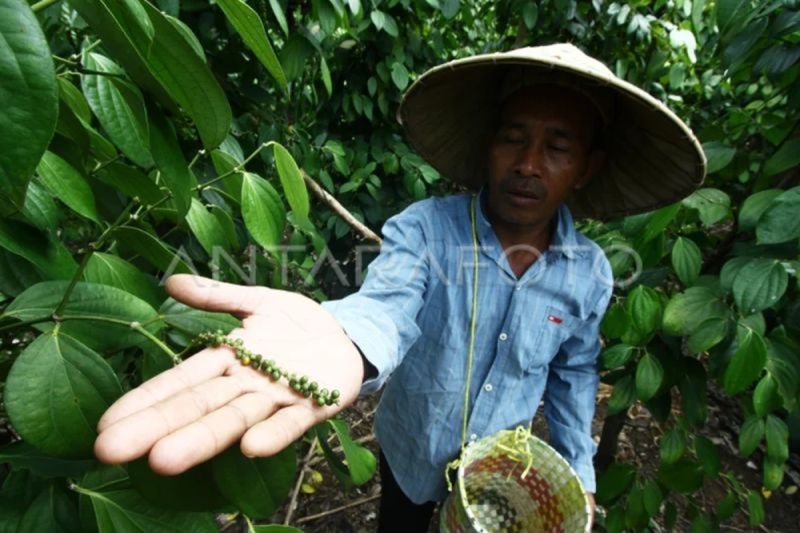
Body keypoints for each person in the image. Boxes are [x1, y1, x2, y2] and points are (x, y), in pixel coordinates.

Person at [93, 44, 705, 531]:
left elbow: (574, 374)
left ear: (587, 168)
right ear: (489, 146)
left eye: (558, 147)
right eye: (513, 138)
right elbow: (385, 307)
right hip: (414, 449)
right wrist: (346, 343)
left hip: (500, 471)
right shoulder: (426, 231)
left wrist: (579, 473)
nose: (528, 163)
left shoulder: (589, 272)